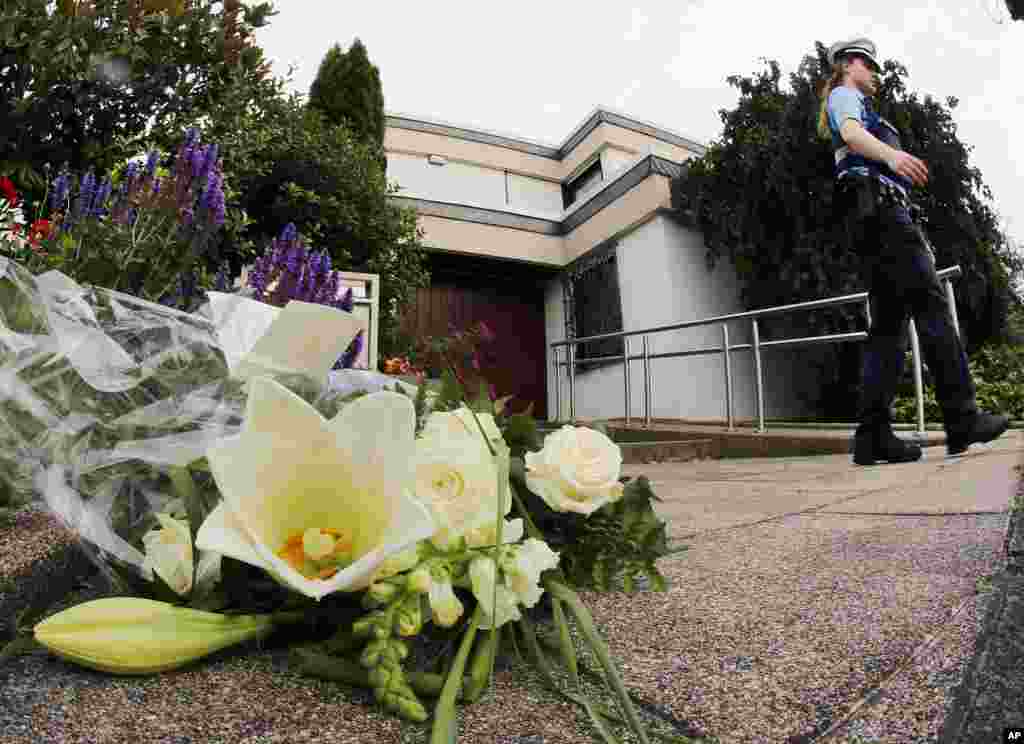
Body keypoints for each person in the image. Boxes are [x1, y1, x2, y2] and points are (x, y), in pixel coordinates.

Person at [818, 38, 1009, 465]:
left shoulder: (858, 102)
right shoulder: (845, 95)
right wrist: (894, 156)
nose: (875, 73)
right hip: (883, 217)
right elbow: (851, 133)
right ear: (851, 64)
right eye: (870, 65)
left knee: (887, 328)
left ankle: (873, 437)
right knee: (931, 304)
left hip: (871, 220)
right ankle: (962, 418)